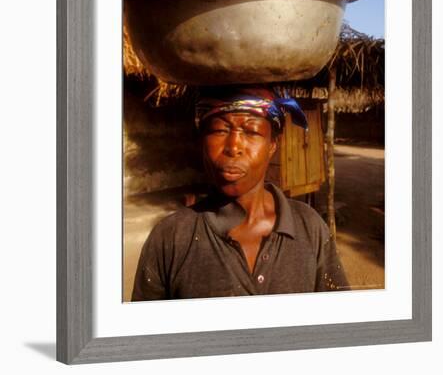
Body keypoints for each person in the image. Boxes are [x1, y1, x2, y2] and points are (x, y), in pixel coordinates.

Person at [131, 86, 349, 301]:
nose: (233, 146)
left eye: (251, 131)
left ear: (272, 144)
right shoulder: (170, 238)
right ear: (202, 140)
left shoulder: (310, 228)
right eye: (219, 130)